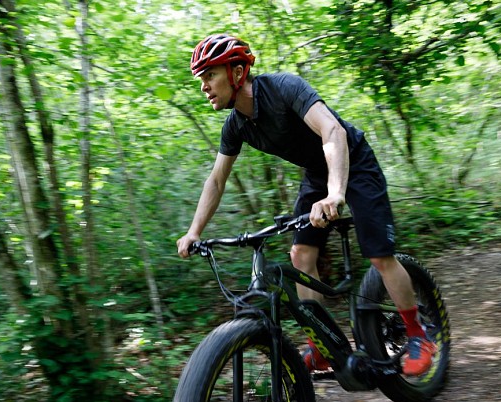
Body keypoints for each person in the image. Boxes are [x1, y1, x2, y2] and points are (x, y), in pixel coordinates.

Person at [176, 34, 437, 377]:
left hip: (353, 162)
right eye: (201, 78)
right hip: (316, 174)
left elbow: (333, 132)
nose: (204, 86)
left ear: (238, 71)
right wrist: (195, 231)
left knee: (379, 255)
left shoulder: (284, 88)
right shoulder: (236, 125)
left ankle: (418, 335)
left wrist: (334, 193)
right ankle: (323, 345)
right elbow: (216, 180)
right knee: (300, 256)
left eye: (210, 75)